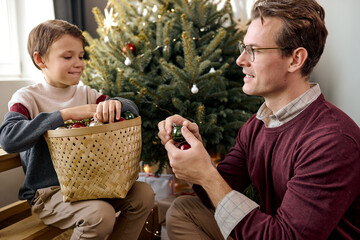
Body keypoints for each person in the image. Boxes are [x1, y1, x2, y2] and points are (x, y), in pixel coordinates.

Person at [157, 0, 360, 239]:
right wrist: (192, 148)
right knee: (184, 211)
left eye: (254, 50)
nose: (240, 60)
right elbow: (219, 190)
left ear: (295, 59)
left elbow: (285, 237)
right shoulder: (258, 124)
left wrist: (207, 175)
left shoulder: (332, 140)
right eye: (244, 47)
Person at [0, 19, 154, 240]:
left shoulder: (88, 93)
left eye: (81, 56)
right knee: (101, 215)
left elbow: (131, 109)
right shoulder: (27, 98)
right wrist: (65, 115)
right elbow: (9, 138)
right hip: (50, 194)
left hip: (95, 185)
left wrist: (117, 104)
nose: (79, 63)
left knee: (144, 193)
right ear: (40, 59)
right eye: (67, 56)